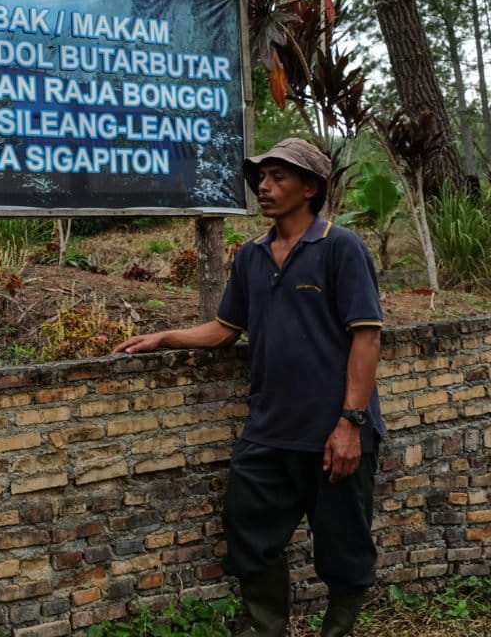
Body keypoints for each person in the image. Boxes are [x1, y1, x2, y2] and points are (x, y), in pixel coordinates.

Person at [116, 138, 384, 637]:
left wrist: (351, 423)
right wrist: (165, 337)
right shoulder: (252, 256)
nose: (264, 186)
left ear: (310, 187)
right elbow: (225, 328)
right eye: (261, 177)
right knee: (249, 532)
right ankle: (266, 628)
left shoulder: (339, 247)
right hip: (269, 429)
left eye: (278, 177)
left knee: (343, 546)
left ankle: (337, 630)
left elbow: (366, 337)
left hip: (334, 431)